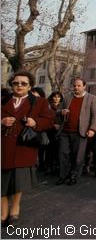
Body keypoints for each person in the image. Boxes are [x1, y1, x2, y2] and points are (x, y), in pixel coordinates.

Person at [1, 70, 54, 227]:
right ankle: (3, 212)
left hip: (24, 148)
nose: (19, 86)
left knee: (18, 182)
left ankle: (15, 210)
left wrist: (35, 123)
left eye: (23, 83)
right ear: (11, 84)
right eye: (16, 83)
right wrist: (1, 121)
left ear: (30, 86)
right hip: (3, 147)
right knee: (1, 182)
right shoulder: (3, 100)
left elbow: (50, 121)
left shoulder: (39, 102)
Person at [57, 78, 96, 186]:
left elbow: (95, 116)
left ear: (84, 86)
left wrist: (92, 129)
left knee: (78, 157)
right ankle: (63, 176)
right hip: (65, 131)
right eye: (75, 86)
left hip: (80, 132)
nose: (76, 88)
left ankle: (74, 176)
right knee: (63, 155)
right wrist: (62, 112)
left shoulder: (91, 98)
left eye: (79, 86)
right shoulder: (67, 97)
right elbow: (58, 110)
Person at [45, 91, 65, 175]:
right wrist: (53, 125)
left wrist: (60, 126)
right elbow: (46, 116)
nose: (56, 98)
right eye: (55, 96)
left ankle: (57, 166)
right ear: (52, 97)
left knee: (59, 149)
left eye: (58, 97)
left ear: (61, 98)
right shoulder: (47, 105)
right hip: (50, 130)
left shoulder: (63, 106)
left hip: (60, 131)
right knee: (49, 149)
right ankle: (49, 166)